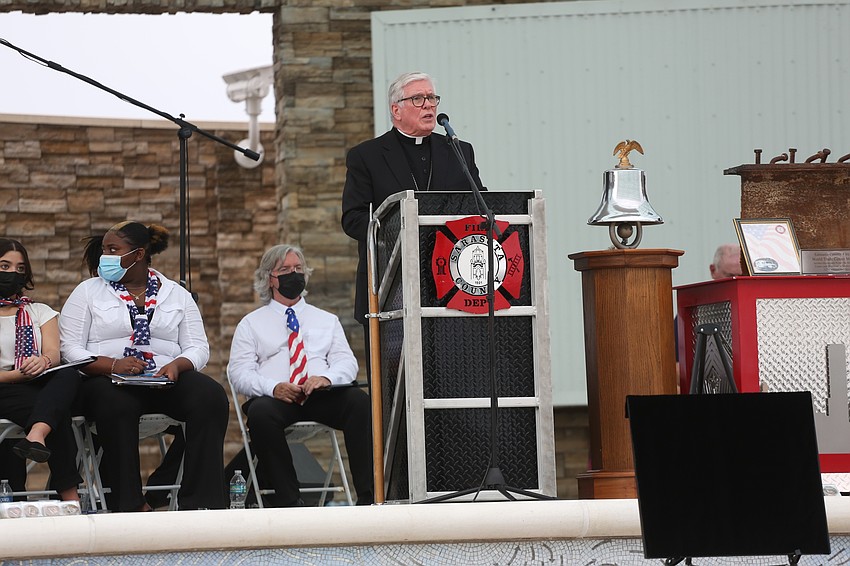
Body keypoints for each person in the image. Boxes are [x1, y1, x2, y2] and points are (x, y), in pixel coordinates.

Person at [59, 221, 228, 511]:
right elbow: (69, 348)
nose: (105, 256)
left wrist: (178, 365)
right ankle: (129, 505)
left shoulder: (176, 294)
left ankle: (202, 504)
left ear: (138, 254)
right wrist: (112, 364)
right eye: (104, 250)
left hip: (161, 377)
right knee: (116, 405)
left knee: (210, 397)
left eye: (114, 250)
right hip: (105, 380)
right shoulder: (88, 292)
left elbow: (198, 347)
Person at [228, 244, 373, 506]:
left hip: (319, 396)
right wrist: (273, 387)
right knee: (260, 415)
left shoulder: (326, 320)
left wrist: (326, 379)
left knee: (359, 403)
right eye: (284, 270)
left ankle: (369, 497)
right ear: (269, 279)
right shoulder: (251, 323)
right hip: (276, 400)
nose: (293, 274)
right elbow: (239, 373)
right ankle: (289, 501)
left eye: (298, 269)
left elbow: (347, 362)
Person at [341, 71, 485, 333]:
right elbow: (353, 218)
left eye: (431, 97)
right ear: (396, 110)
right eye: (418, 98)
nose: (429, 104)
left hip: (450, 283)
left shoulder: (458, 150)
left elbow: (480, 205)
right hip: (390, 284)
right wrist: (397, 230)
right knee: (395, 371)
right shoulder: (367, 156)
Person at [0, 238, 82, 502]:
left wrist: (43, 362)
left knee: (67, 373)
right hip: (4, 385)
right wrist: (18, 375)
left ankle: (37, 435)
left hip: (33, 383)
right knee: (56, 413)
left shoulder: (39, 311)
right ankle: (70, 496)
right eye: (4, 265)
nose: (13, 273)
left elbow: (53, 352)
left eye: (20, 269)